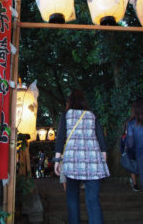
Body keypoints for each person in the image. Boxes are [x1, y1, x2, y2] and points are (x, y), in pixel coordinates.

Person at [54, 89, 110, 224]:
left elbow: (61, 137)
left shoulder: (66, 115)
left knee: (72, 197)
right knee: (93, 201)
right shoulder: (92, 115)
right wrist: (103, 158)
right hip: (93, 161)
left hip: (72, 161)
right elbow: (101, 138)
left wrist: (57, 160)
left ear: (69, 102)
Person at [126, 98, 143, 190]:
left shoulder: (131, 123)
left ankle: (135, 184)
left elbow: (130, 143)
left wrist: (131, 156)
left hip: (140, 154)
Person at [120, 124, 139, 191]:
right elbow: (121, 148)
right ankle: (135, 185)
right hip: (129, 157)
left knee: (136, 169)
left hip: (137, 156)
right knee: (132, 170)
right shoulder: (123, 138)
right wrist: (123, 153)